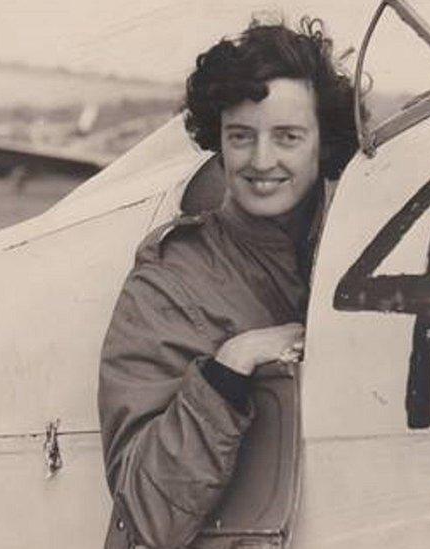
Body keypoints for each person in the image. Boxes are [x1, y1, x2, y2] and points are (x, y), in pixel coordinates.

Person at [97, 17, 358, 549]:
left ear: (321, 142)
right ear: (218, 141)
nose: (262, 162)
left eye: (288, 137)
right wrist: (229, 368)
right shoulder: (168, 283)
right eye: (242, 137)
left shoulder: (358, 242)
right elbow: (143, 519)